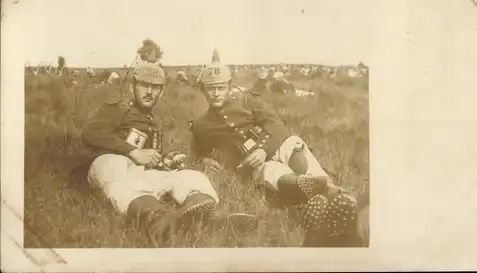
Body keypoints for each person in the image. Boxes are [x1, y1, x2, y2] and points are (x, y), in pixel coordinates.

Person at [189, 51, 363, 246]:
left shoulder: (248, 101)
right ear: (203, 90)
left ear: (229, 87)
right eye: (211, 89)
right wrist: (204, 160)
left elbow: (277, 126)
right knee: (270, 169)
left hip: (273, 148)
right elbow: (198, 151)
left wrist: (263, 150)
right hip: (252, 166)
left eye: (221, 87)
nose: (216, 93)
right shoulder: (201, 124)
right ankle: (315, 192)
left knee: (293, 142)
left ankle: (329, 190)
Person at [81, 62, 255, 247]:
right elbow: (90, 132)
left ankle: (204, 217)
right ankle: (160, 220)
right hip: (109, 168)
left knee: (192, 176)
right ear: (133, 87)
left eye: (155, 87)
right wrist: (133, 151)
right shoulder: (117, 109)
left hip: (139, 173)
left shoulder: (152, 122)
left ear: (161, 92)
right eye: (144, 86)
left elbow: (148, 157)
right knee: (114, 167)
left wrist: (164, 160)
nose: (149, 91)